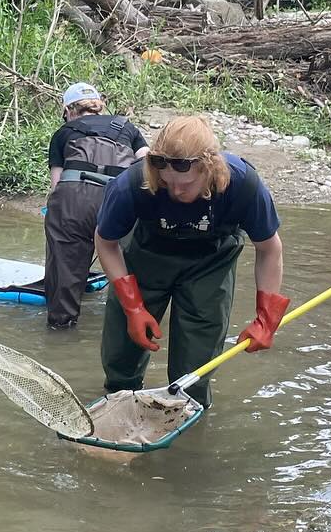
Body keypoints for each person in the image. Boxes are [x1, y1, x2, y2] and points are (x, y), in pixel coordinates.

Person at [92, 115, 287, 408]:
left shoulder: (244, 186)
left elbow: (269, 249)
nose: (175, 192)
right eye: (167, 183)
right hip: (146, 259)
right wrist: (132, 305)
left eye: (185, 184)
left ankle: (188, 416)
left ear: (210, 169)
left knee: (195, 368)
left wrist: (266, 318)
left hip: (210, 265)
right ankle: (120, 402)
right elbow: (105, 243)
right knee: (123, 351)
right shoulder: (132, 184)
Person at [43, 82, 149, 330]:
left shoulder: (64, 132)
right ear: (100, 106)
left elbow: (57, 183)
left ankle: (62, 326)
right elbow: (147, 161)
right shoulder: (126, 127)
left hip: (74, 200)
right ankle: (136, 318)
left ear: (68, 110)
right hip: (119, 199)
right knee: (130, 261)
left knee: (65, 264)